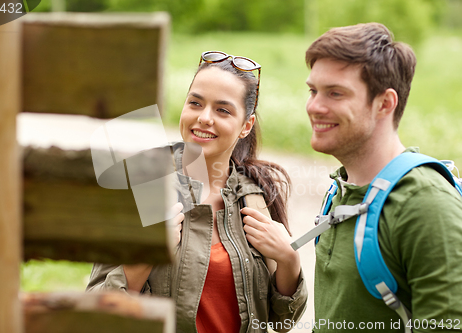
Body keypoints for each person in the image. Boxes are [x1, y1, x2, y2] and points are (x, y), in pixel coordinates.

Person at [87, 51, 308, 333]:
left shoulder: (255, 195)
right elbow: (97, 312)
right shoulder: (143, 187)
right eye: (195, 103)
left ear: (246, 126)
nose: (204, 118)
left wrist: (289, 260)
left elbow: (281, 322)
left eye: (222, 110)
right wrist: (148, 254)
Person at [304, 23, 462, 332]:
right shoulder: (341, 191)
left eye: (335, 93)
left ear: (385, 104)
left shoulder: (424, 204)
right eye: (313, 91)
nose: (314, 106)